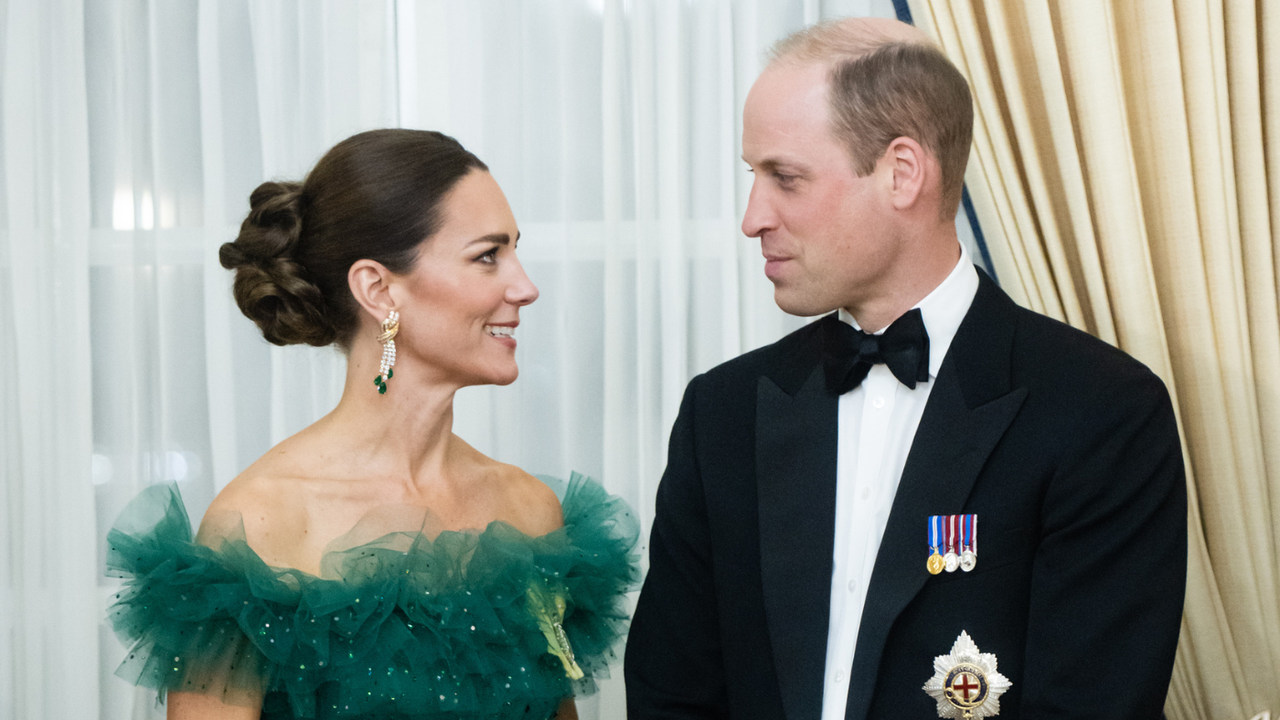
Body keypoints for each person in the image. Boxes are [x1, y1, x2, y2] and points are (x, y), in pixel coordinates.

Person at [624, 17, 1185, 720]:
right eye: (754, 177)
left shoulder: (1101, 412)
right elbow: (670, 696)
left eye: (785, 178)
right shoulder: (723, 412)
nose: (752, 217)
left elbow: (1093, 705)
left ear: (902, 172)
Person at [106, 129, 639, 720]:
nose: (526, 286)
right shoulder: (260, 523)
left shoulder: (530, 511)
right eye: (488, 256)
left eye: (514, 251)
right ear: (379, 289)